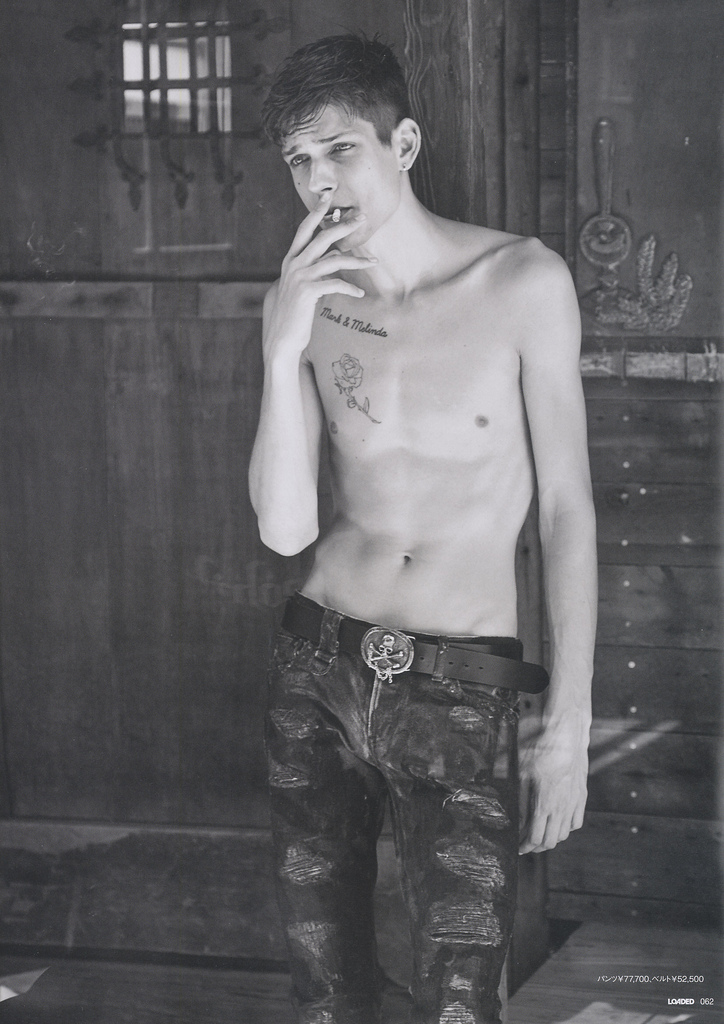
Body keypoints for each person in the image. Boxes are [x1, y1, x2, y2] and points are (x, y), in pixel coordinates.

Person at [249, 33, 597, 1024]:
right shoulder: (305, 307)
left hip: (458, 682)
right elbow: (284, 530)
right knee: (327, 993)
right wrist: (282, 346)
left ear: (401, 144)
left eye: (339, 149)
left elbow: (567, 507)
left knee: (459, 998)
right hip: (318, 666)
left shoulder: (522, 282)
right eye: (299, 160)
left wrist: (569, 725)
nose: (319, 181)